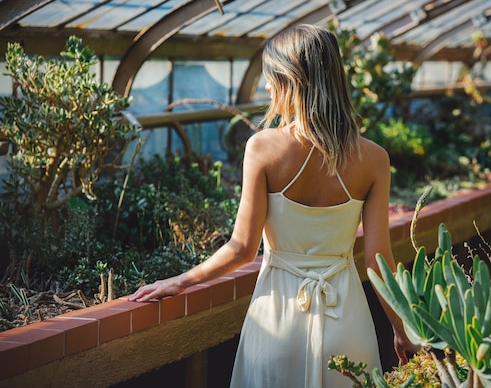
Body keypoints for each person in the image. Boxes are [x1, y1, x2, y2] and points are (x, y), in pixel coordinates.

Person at [129, 24, 417, 387]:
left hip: (276, 318)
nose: (266, 87)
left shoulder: (263, 148)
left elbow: (242, 249)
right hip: (348, 324)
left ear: (292, 79)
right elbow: (378, 260)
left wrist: (180, 281)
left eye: (271, 77)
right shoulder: (373, 158)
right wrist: (400, 327)